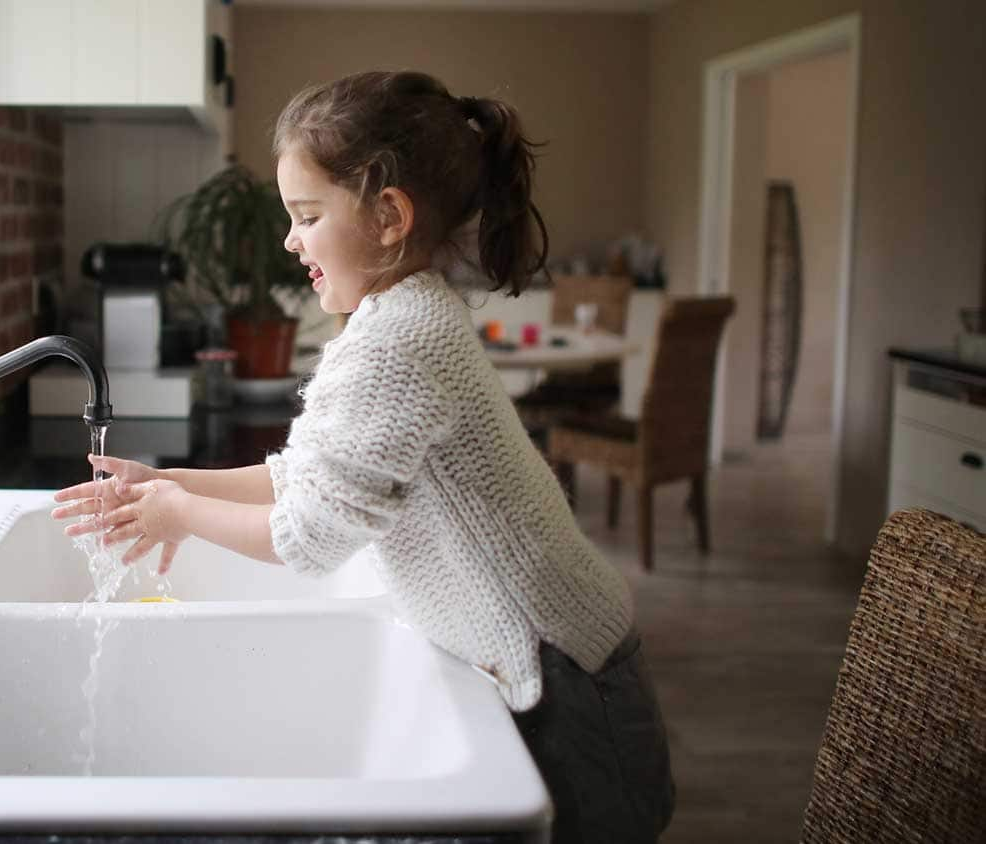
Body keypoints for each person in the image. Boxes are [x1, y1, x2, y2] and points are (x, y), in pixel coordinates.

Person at [51, 70, 674, 842]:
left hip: (564, 680)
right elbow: (305, 477)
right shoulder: (394, 320)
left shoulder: (397, 343)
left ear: (388, 216)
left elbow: (309, 536)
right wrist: (176, 481)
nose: (290, 239)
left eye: (307, 216)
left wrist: (178, 512)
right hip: (558, 662)